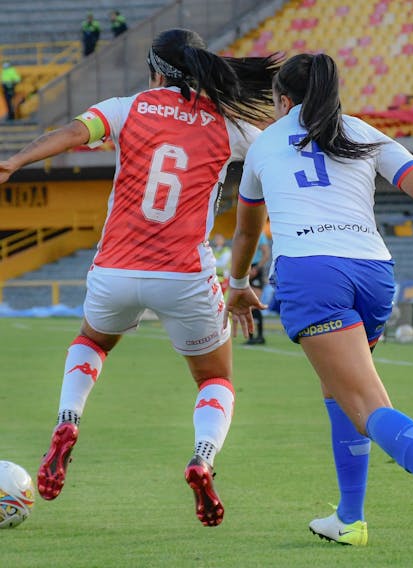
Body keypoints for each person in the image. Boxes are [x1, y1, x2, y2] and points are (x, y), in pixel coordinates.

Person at [0, 28, 280, 527]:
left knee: (92, 341)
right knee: (214, 378)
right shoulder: (232, 127)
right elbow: (275, 162)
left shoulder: (127, 108)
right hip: (185, 276)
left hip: (115, 268)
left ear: (155, 69)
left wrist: (15, 162)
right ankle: (202, 458)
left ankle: (68, 421)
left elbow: (68, 134)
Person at [225, 53, 413, 555]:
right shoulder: (363, 132)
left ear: (283, 100)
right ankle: (349, 518)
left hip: (310, 272)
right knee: (340, 390)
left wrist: (238, 281)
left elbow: (246, 228)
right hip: (374, 272)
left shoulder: (263, 145)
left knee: (366, 403)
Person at [245, 232, 270, 345]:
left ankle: (259, 336)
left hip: (256, 269)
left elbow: (266, 254)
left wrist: (256, 269)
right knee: (247, 304)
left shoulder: (260, 235)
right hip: (246, 268)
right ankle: (252, 337)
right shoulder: (243, 232)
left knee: (254, 304)